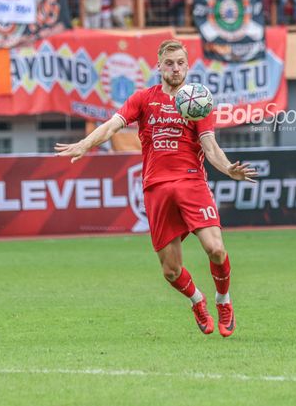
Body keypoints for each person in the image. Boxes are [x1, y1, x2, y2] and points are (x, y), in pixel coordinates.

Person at [55, 40, 258, 337]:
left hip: (191, 182)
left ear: (188, 67)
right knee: (171, 271)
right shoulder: (143, 99)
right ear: (159, 66)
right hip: (157, 187)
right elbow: (112, 125)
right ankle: (197, 301)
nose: (175, 69)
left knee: (215, 248)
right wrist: (85, 145)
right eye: (169, 63)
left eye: (180, 63)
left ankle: (223, 301)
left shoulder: (198, 101)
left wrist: (228, 169)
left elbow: (209, 145)